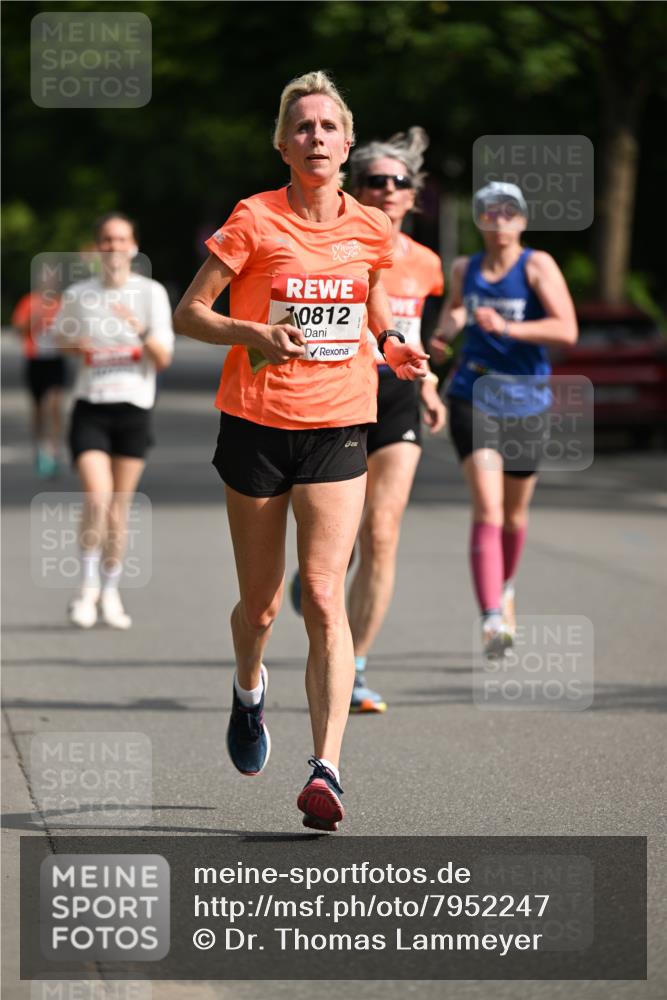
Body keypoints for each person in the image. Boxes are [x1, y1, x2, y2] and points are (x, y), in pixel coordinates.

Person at [173, 71, 428, 831]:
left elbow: (372, 300)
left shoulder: (370, 229)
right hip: (255, 421)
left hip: (339, 423)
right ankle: (248, 692)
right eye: (303, 128)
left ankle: (326, 769)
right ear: (283, 145)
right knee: (261, 606)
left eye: (328, 128)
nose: (316, 139)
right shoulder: (253, 219)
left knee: (321, 593)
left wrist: (391, 344)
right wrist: (251, 331)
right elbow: (189, 314)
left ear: (347, 144)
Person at [290, 127, 446, 713]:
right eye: (374, 180)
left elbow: (417, 335)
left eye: (397, 182)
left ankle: (353, 667)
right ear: (358, 187)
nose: (386, 189)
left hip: (399, 398)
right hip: (342, 394)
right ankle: (320, 582)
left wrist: (430, 383)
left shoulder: (427, 264)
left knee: (382, 532)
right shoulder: (340, 244)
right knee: (340, 545)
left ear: (412, 195)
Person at [430, 182, 577, 657]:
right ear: (479, 220)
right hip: (473, 392)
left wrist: (509, 327)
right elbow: (456, 308)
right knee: (489, 508)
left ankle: (506, 586)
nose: (498, 219)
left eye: (507, 211)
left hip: (527, 400)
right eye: (488, 212)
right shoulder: (464, 268)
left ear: (522, 220)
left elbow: (566, 329)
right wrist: (443, 334)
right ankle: (492, 617)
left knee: (514, 514)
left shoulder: (537, 265)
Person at [52, 213, 174, 630]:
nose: (114, 247)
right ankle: (85, 589)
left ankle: (110, 591)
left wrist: (138, 329)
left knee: (119, 508)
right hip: (91, 405)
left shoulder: (151, 293)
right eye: (106, 239)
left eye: (121, 239)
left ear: (134, 247)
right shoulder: (80, 294)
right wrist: (77, 344)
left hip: (134, 407)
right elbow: (58, 338)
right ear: (96, 247)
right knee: (97, 497)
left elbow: (164, 357)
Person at [11, 267, 66, 477]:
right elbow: (18, 330)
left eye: (52, 280)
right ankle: (39, 444)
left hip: (55, 359)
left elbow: (73, 329)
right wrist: (33, 319)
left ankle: (53, 448)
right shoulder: (29, 302)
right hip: (35, 360)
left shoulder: (62, 303)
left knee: (53, 403)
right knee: (37, 408)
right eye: (45, 280)